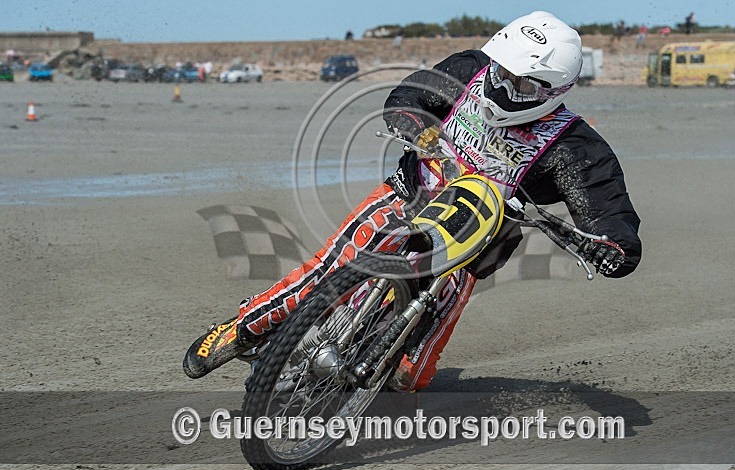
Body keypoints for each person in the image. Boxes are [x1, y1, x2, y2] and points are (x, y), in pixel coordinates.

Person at [184, 10, 642, 391]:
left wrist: (607, 248)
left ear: (554, 91)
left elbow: (613, 220)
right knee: (326, 270)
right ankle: (241, 329)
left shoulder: (575, 148)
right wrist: (413, 123)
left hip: (470, 248)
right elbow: (405, 96)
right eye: (501, 74)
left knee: (411, 377)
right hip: (407, 197)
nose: (502, 89)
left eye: (521, 87)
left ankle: (367, 372)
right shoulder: (469, 69)